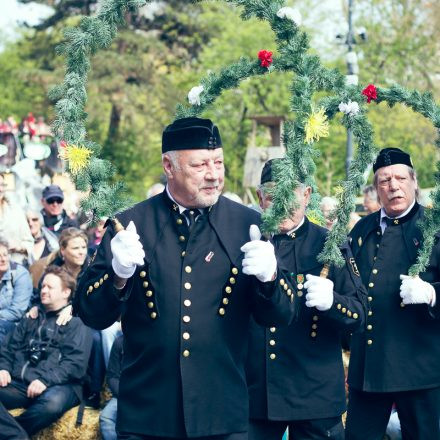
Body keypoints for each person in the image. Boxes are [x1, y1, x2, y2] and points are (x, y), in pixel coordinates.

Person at [74, 116, 296, 439]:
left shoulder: (250, 224)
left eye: (218, 162)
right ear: (169, 166)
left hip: (221, 416)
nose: (213, 175)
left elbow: (284, 313)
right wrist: (117, 276)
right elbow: (89, 310)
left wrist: (270, 278)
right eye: (200, 165)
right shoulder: (131, 224)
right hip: (148, 417)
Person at [246, 159, 367, 440]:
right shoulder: (246, 240)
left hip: (314, 393)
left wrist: (332, 302)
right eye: (275, 195)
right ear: (261, 198)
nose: (284, 204)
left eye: (291, 194)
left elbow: (360, 314)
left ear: (307, 195)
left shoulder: (329, 243)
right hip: (257, 392)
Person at [345, 148, 440, 439]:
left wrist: (432, 294)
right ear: (376, 188)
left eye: (400, 178)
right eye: (384, 180)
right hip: (369, 367)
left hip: (420, 368)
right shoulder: (362, 229)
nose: (393, 186)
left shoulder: (434, 228)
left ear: (414, 182)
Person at [0, 265, 92, 439]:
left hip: (61, 385)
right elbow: (8, 347)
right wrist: (3, 367)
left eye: (50, 287)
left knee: (51, 405)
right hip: (21, 384)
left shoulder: (77, 323)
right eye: (43, 286)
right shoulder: (31, 317)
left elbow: (75, 364)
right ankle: (16, 436)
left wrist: (45, 380)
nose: (44, 290)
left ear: (66, 293)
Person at [28, 227, 105, 409]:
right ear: (63, 250)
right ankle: (32, 376)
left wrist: (73, 308)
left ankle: (93, 390)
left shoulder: (94, 268)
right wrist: (35, 307)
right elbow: (38, 294)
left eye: (84, 247)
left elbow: (97, 301)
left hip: (88, 319)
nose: (81, 252)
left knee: (94, 338)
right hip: (55, 318)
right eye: (75, 248)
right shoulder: (53, 269)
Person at [0, 238, 33, 343]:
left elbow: (17, 312)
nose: (3, 259)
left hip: (16, 324)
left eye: (5, 255)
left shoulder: (20, 274)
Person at [0, 173, 33, 265]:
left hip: (15, 265)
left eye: (2, 185)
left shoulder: (15, 211)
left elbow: (29, 241)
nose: (0, 189)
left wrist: (18, 247)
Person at [100, 334, 124, 440]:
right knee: (106, 417)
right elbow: (112, 376)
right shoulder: (120, 342)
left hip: (149, 394)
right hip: (124, 394)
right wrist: (124, 395)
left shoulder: (154, 340)